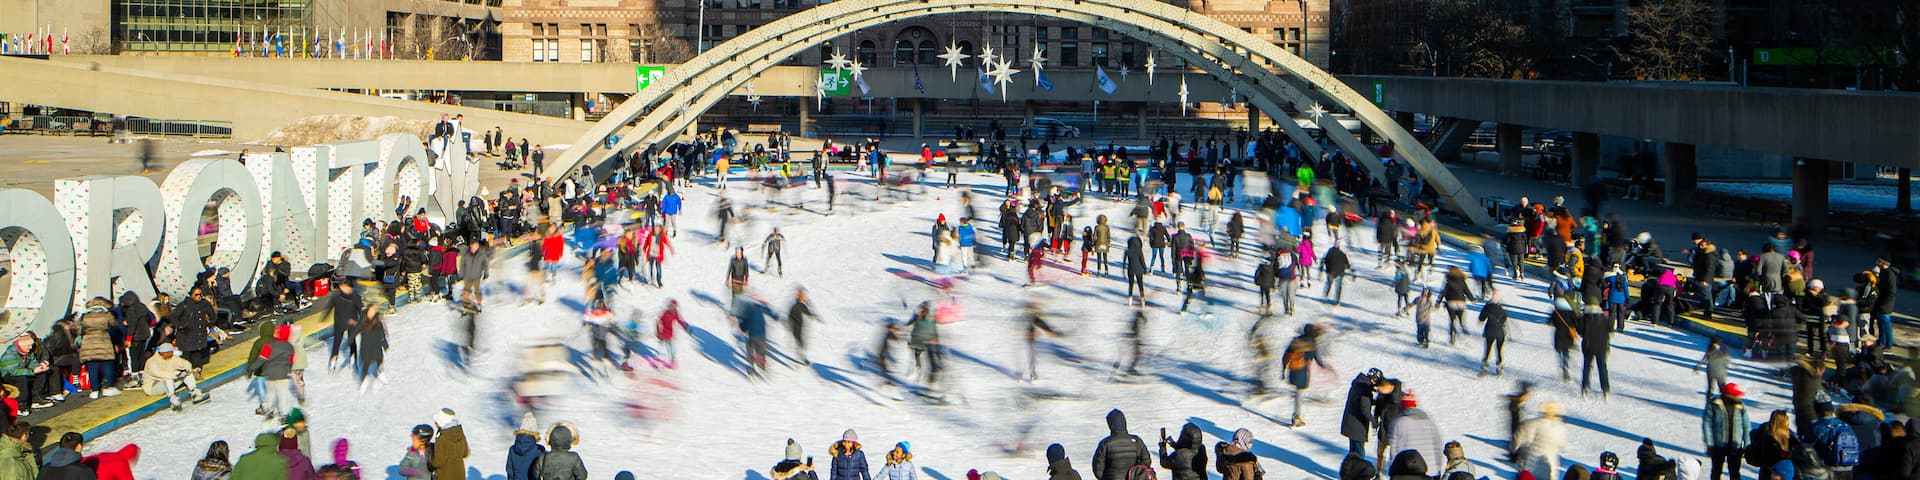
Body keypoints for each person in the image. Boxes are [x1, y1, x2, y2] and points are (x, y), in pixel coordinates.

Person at [1283, 324, 1330, 427]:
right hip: (1302, 371)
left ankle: (1296, 415)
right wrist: (1324, 366)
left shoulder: (1296, 341)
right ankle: (1297, 417)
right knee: (1299, 394)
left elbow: (1285, 356)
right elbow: (1315, 358)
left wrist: (1283, 370)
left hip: (1293, 370)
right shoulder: (1311, 343)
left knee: (1297, 393)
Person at [1388, 391, 1443, 477]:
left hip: (1408, 470)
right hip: (1431, 469)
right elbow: (1437, 445)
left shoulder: (1399, 422)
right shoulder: (1429, 421)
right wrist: (1438, 467)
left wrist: (1394, 469)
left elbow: (1394, 449)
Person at [1091, 409, 1151, 480]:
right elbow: (1147, 462)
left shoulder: (1105, 443)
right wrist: (1135, 474)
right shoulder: (1136, 441)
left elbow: (1098, 470)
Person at [1513, 403, 1568, 480]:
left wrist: (1515, 449)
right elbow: (1563, 446)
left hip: (1532, 466)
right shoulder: (1560, 428)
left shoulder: (1533, 424)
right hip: (1549, 467)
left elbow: (1522, 438)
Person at [142, 343, 206, 411]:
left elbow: (184, 363)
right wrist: (177, 374)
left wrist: (187, 369)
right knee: (167, 379)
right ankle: (173, 399)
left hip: (169, 382)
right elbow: (160, 374)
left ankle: (195, 393)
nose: (172, 353)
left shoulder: (171, 358)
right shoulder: (152, 362)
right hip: (153, 387)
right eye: (170, 352)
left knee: (187, 374)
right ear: (164, 353)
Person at [1807, 402, 1861, 479]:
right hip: (1849, 467)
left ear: (1817, 412)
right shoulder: (1844, 425)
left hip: (1829, 469)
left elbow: (1805, 448)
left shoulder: (1816, 427)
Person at [1341, 371, 1379, 457]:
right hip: (1358, 426)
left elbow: (1361, 401)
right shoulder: (1365, 390)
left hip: (1351, 422)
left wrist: (1375, 402)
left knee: (1353, 451)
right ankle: (1359, 469)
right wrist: (1374, 421)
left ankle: (1352, 469)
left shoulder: (1358, 384)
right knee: (1359, 453)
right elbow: (1365, 410)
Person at [1580, 303, 1614, 397]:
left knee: (1587, 367)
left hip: (1588, 346)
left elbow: (1580, 331)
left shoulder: (1584, 318)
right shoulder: (1603, 318)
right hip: (1601, 346)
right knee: (1602, 367)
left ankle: (1585, 386)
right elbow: (1610, 328)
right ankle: (1605, 388)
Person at [430, 409, 468, 480]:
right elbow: (465, 453)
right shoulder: (459, 433)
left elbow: (437, 462)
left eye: (436, 421)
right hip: (459, 473)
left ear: (441, 422)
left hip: (445, 475)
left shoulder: (442, 439)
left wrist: (430, 455)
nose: (435, 424)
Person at [1480, 289, 1510, 376]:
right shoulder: (1501, 308)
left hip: (1489, 330)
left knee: (1488, 348)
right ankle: (1499, 365)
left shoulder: (1487, 306)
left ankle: (1485, 364)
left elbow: (1481, 318)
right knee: (1499, 350)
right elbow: (1504, 319)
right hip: (1500, 332)